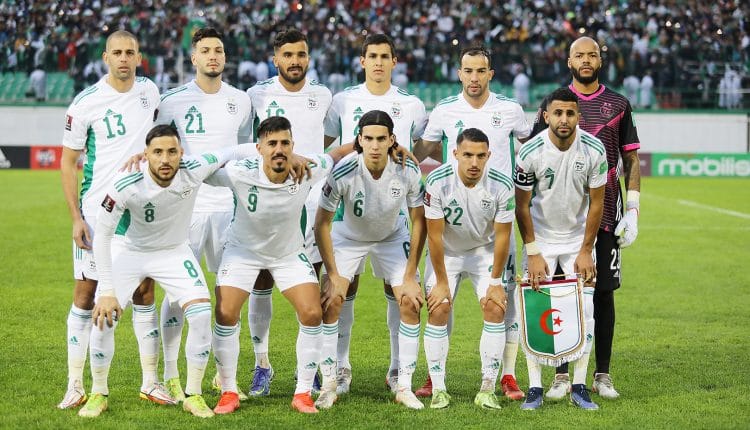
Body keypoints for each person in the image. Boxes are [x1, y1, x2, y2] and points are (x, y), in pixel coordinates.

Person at [78, 124, 256, 418]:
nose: (165, 159)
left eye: (172, 152)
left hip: (174, 252)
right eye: (157, 152)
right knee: (104, 316)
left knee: (201, 314)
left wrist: (290, 156)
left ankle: (193, 395)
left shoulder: (194, 168)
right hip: (130, 251)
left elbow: (235, 150)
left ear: (181, 153)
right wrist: (107, 290)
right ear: (145, 154)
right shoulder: (125, 182)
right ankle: (98, 393)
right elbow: (104, 236)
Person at [209, 116, 355, 415]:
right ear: (259, 148)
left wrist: (383, 144)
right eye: (272, 143)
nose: (279, 149)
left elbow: (338, 153)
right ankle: (228, 391)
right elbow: (201, 169)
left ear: (293, 146)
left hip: (288, 254)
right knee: (225, 313)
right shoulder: (239, 172)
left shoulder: (308, 169)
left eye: (285, 143)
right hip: (242, 252)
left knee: (312, 312)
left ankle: (303, 393)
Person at [414, 44, 531, 400]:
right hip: (452, 225)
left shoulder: (510, 109)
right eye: (468, 71)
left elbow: (529, 147)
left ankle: (507, 376)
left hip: (495, 222)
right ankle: (435, 378)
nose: (474, 77)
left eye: (481, 71)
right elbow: (423, 150)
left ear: (490, 74)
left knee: (504, 303)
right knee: (440, 302)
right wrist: (399, 165)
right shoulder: (445, 109)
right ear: (459, 74)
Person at [529, 36, 641, 401]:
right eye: (580, 55)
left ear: (600, 60)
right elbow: (535, 154)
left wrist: (633, 209)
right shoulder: (554, 103)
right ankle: (561, 374)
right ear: (569, 60)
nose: (587, 59)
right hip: (560, 216)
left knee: (603, 292)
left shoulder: (618, 104)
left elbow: (631, 159)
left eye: (592, 54)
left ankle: (601, 374)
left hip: (605, 211)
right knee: (560, 291)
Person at [58, 30, 166, 410]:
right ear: (106, 58)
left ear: (138, 57)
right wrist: (75, 217)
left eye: (129, 52)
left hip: (139, 209)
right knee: (86, 294)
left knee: (144, 292)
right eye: (116, 52)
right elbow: (68, 163)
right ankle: (75, 384)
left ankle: (151, 382)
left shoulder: (151, 91)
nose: (123, 58)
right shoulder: (85, 102)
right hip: (96, 213)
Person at [323, 33, 428, 394]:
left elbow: (423, 147)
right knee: (341, 290)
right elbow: (327, 149)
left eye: (385, 56)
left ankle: (398, 370)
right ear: (362, 61)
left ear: (394, 61)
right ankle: (340, 367)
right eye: (373, 56)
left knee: (399, 293)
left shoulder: (411, 104)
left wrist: (405, 156)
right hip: (348, 216)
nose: (379, 62)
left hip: (392, 215)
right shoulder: (342, 100)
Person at [154, 27, 252, 403]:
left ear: (225, 57)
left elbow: (244, 149)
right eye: (206, 50)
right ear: (194, 58)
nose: (213, 55)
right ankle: (169, 374)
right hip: (187, 210)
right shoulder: (172, 101)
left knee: (230, 296)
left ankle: (225, 378)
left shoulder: (241, 101)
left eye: (219, 50)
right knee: (177, 294)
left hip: (229, 208)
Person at [241, 28, 333, 397]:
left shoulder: (323, 95)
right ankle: (262, 364)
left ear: (308, 57)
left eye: (301, 54)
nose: (295, 61)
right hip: (268, 199)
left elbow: (327, 141)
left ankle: (306, 369)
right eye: (288, 55)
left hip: (312, 203)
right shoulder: (256, 95)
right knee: (262, 280)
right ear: (275, 58)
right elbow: (247, 142)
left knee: (310, 284)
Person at [314, 110, 426, 410]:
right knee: (331, 299)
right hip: (348, 236)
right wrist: (333, 274)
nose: (375, 145)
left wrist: (411, 275)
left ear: (392, 140)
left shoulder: (407, 169)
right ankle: (332, 380)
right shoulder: (343, 171)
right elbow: (321, 224)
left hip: (392, 236)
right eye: (369, 139)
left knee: (410, 301)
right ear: (359, 140)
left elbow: (419, 221)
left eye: (381, 139)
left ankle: (402, 382)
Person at [515, 87, 607, 410]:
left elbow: (597, 204)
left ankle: (579, 386)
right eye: (558, 113)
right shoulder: (530, 152)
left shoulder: (594, 149)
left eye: (570, 113)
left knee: (586, 311)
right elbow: (521, 206)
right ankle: (535, 388)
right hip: (540, 241)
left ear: (578, 116)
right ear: (546, 116)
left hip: (577, 242)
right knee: (533, 309)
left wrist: (585, 250)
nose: (564, 119)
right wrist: (532, 250)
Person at [422, 128, 514, 410]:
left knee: (495, 307)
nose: (474, 163)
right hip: (447, 253)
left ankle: (487, 388)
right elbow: (434, 236)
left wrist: (495, 282)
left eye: (480, 156)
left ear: (489, 156)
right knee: (439, 308)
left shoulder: (502, 185)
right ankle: (438, 389)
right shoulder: (437, 181)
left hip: (484, 252)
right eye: (468, 155)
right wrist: (441, 282)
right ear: (455, 154)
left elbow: (503, 237)